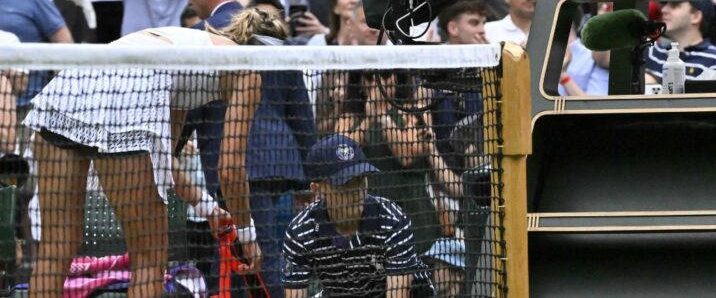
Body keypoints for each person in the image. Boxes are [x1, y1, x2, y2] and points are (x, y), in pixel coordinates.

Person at [24, 17, 275, 297]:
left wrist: (209, 209)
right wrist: (247, 233)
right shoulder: (248, 71)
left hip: (75, 83)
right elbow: (229, 169)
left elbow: (165, 160)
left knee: (56, 244)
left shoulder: (189, 52)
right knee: (149, 255)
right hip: (130, 88)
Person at [283, 134, 431, 297]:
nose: (356, 192)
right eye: (344, 185)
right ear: (317, 190)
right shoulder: (300, 232)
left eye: (360, 180)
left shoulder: (391, 219)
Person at [642, 0, 716, 84]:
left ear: (695, 16)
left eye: (675, 5)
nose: (664, 10)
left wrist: (655, 82)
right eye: (666, 4)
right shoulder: (651, 52)